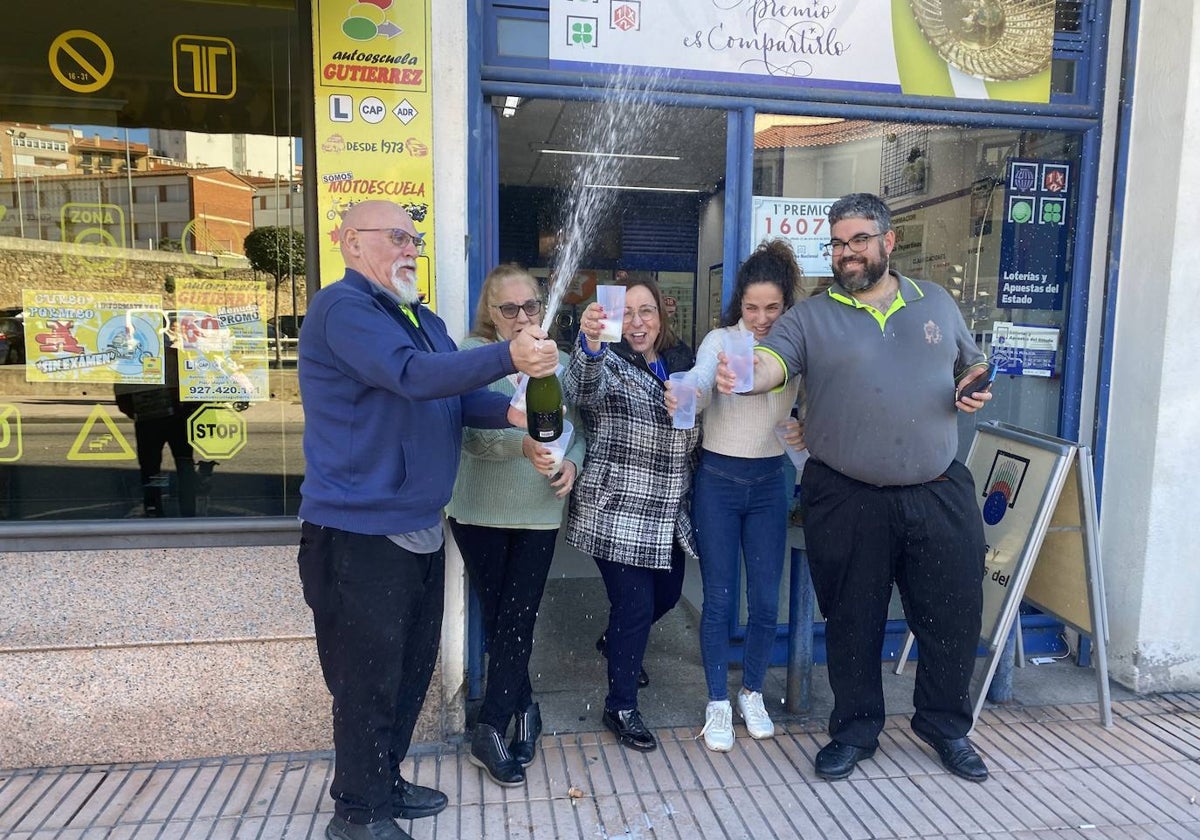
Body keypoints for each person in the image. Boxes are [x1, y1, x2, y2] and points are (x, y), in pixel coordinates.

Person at [297, 200, 559, 840]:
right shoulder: (345, 309)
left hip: (416, 527)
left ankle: (383, 781)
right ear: (351, 242)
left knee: (410, 670)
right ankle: (357, 815)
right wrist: (508, 356)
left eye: (414, 237)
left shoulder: (420, 317)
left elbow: (454, 392)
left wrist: (511, 415)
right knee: (367, 681)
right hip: (358, 536)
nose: (410, 247)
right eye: (395, 237)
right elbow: (411, 376)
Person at [717, 193, 994, 783]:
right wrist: (746, 374)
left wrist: (972, 383)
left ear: (887, 242)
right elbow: (773, 362)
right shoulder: (809, 316)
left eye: (857, 240)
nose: (846, 252)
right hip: (846, 492)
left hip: (937, 487)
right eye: (837, 243)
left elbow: (969, 365)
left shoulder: (936, 303)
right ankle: (854, 730)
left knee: (952, 616)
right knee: (850, 618)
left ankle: (946, 727)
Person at [446, 264, 585, 787]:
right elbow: (467, 435)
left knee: (517, 615)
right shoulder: (468, 359)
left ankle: (494, 724)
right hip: (479, 509)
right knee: (506, 617)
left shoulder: (562, 363)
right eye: (510, 309)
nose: (523, 317)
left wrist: (573, 462)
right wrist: (522, 444)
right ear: (491, 313)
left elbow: (579, 433)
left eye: (531, 306)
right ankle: (514, 716)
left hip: (539, 512)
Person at [670, 239, 805, 752]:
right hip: (719, 482)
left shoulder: (796, 346)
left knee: (767, 601)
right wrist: (691, 392)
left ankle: (751, 691)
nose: (762, 318)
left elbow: (816, 405)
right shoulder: (721, 340)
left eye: (772, 307)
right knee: (721, 597)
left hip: (772, 481)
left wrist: (805, 431)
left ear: (786, 304)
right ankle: (716, 702)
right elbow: (701, 381)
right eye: (752, 307)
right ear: (739, 306)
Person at [565, 277, 700, 753]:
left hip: (666, 509)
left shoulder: (682, 363)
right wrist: (591, 342)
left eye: (649, 312)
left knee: (667, 593)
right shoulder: (609, 362)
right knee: (635, 605)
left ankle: (614, 641)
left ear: (662, 317)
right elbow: (581, 389)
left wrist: (692, 408)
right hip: (617, 507)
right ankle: (620, 705)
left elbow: (690, 438)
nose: (639, 322)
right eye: (631, 312)